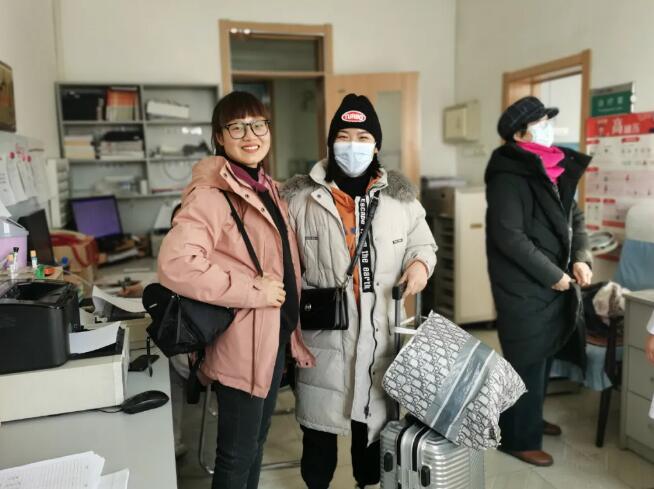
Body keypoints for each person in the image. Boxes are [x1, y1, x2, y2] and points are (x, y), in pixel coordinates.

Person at [157, 91, 315, 489]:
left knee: (255, 446)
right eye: (237, 127)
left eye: (258, 125)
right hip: (242, 343)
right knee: (236, 456)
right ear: (219, 136)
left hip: (271, 337)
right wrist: (253, 290)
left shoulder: (266, 188)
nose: (251, 135)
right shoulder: (211, 195)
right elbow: (177, 264)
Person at [282, 94, 437, 489]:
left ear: (376, 145)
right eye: (344, 136)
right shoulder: (300, 199)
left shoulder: (400, 198)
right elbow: (284, 266)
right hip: (323, 338)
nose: (354, 145)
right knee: (318, 436)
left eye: (363, 137)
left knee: (372, 436)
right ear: (330, 143)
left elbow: (423, 244)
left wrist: (419, 266)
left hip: (381, 335)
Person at [485, 96, 593, 467]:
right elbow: (510, 237)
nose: (549, 128)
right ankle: (517, 438)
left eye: (548, 121)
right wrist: (554, 275)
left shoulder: (553, 168)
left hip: (556, 282)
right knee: (526, 358)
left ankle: (527, 417)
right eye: (541, 123)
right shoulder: (508, 176)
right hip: (524, 286)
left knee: (544, 354)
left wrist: (580, 258)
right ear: (520, 134)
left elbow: (575, 219)